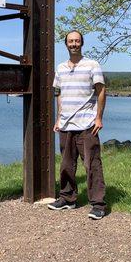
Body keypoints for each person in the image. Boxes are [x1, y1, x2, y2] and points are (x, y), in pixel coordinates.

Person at [47, 30, 107, 220]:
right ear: (66, 44)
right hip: (66, 124)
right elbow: (58, 94)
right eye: (71, 41)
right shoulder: (61, 67)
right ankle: (67, 198)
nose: (74, 44)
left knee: (92, 164)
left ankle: (98, 204)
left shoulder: (92, 65)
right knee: (66, 165)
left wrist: (98, 118)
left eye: (77, 41)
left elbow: (101, 91)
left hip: (87, 124)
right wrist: (58, 118)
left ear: (82, 43)